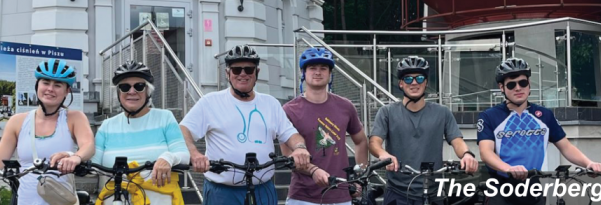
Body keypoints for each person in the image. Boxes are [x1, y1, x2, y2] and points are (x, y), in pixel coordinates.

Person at [180, 45, 311, 205]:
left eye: (249, 70)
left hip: (263, 188)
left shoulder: (270, 103)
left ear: (257, 73)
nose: (243, 74)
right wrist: (195, 154)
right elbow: (183, 130)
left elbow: (291, 134)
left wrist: (300, 148)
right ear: (228, 74)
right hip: (222, 192)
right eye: (236, 70)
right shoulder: (210, 102)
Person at [0, 59, 95, 204]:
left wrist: (75, 158)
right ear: (37, 85)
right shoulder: (17, 121)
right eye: (46, 83)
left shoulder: (74, 118)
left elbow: (88, 145)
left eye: (57, 85)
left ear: (67, 91)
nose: (50, 89)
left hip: (60, 200)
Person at [477, 58, 601, 204]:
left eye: (523, 83)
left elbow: (566, 147)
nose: (518, 88)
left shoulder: (544, 115)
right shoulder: (489, 116)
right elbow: (485, 152)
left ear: (529, 84)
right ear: (502, 88)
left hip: (533, 190)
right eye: (511, 85)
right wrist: (509, 168)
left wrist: (589, 163)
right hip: (501, 190)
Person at [369, 56, 478, 205]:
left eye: (419, 78)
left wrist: (466, 154)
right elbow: (374, 142)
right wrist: (383, 154)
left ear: (426, 82)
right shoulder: (387, 112)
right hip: (398, 192)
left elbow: (457, 140)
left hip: (434, 191)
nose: (414, 83)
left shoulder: (442, 112)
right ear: (400, 83)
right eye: (408, 79)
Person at [91, 61, 190, 204]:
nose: (132, 91)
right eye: (125, 87)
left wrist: (168, 158)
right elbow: (92, 166)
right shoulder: (107, 126)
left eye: (139, 86)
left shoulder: (165, 118)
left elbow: (184, 155)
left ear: (148, 91)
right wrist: (72, 157)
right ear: (118, 93)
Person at [281, 47, 368, 205]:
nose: (318, 72)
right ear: (304, 73)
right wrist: (314, 170)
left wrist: (360, 177)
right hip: (302, 196)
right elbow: (288, 157)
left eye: (323, 68)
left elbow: (361, 141)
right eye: (312, 68)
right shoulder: (289, 110)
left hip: (340, 195)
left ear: (330, 73)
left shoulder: (345, 106)